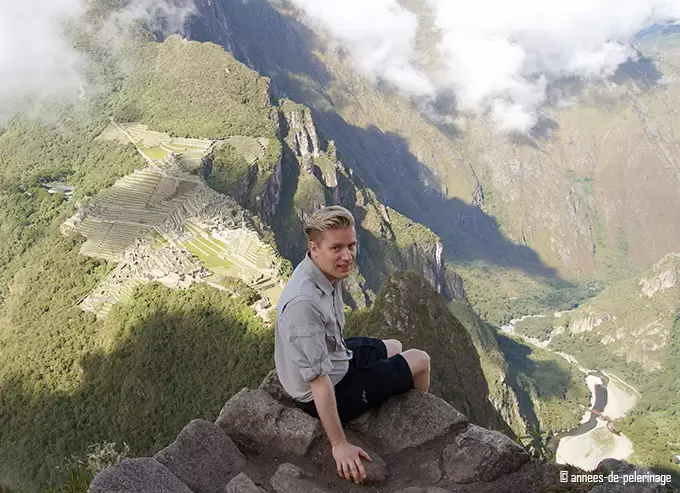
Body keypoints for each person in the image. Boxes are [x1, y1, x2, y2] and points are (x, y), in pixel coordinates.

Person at [274, 205, 431, 484]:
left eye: (351, 245)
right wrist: (339, 444)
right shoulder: (303, 305)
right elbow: (319, 382)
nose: (347, 256)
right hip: (328, 389)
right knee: (420, 360)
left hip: (338, 358)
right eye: (337, 248)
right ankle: (420, 426)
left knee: (395, 345)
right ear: (315, 247)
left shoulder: (318, 269)